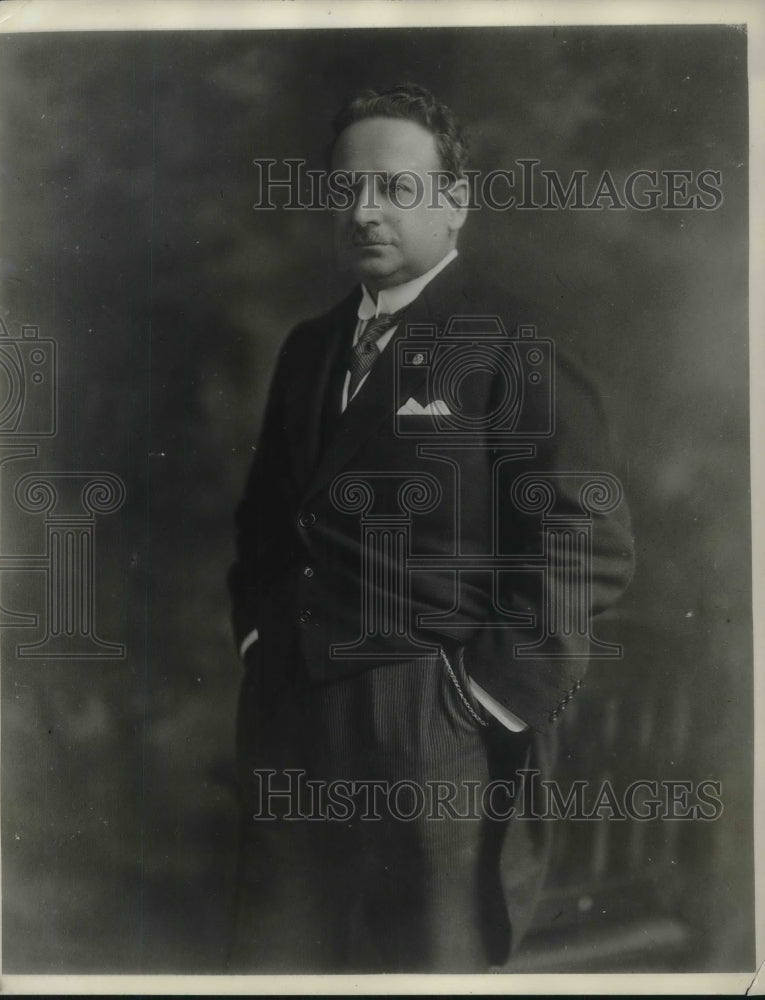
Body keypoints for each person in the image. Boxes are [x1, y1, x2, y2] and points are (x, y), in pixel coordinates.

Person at [227, 83, 634, 973]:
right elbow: (267, 518)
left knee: (426, 969)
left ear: (455, 201)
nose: (364, 211)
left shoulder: (508, 341)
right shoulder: (310, 346)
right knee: (289, 965)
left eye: (395, 188)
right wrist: (259, 638)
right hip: (294, 710)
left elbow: (584, 539)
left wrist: (477, 700)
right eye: (346, 189)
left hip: (431, 721)